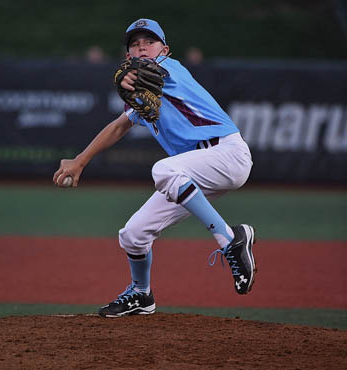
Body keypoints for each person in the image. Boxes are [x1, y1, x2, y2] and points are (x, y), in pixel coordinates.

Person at [53, 18, 257, 318]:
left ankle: (230, 241)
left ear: (165, 48)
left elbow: (150, 72)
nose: (142, 47)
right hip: (196, 170)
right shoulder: (142, 92)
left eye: (149, 41)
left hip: (228, 153)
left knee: (163, 171)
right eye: (135, 44)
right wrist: (80, 160)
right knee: (133, 234)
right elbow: (118, 126)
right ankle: (141, 293)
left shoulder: (170, 69)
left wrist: (127, 76)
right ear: (128, 55)